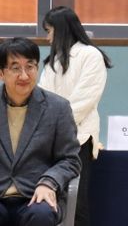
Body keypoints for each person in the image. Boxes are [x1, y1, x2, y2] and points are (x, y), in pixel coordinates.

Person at [39, 6, 112, 226]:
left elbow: (84, 100)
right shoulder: (53, 61)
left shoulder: (91, 55)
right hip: (49, 139)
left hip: (78, 139)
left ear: (61, 29)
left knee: (76, 203)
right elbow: (42, 98)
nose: (48, 37)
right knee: (51, 199)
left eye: (49, 31)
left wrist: (55, 126)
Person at [0, 37, 81, 226]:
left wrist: (49, 182)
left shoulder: (58, 108)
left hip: (36, 195)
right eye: (15, 68)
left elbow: (70, 159)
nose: (24, 76)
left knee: (41, 215)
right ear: (1, 73)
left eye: (30, 67)